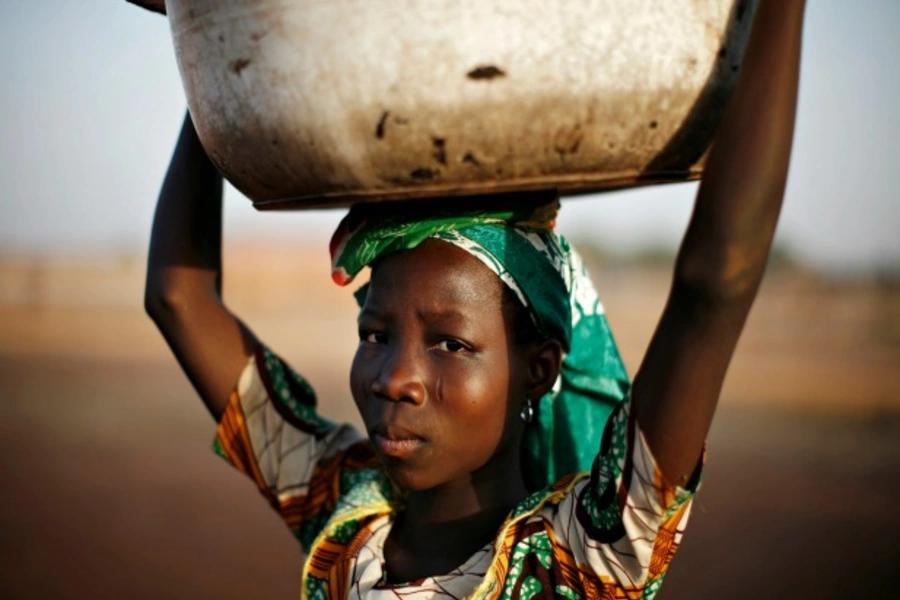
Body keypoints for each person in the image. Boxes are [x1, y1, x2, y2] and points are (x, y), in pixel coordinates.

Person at [145, 1, 806, 597]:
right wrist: (213, 40)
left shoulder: (583, 561)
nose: (395, 378)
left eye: (450, 344)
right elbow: (177, 298)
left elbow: (714, 281)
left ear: (539, 368)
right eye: (375, 335)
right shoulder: (347, 520)